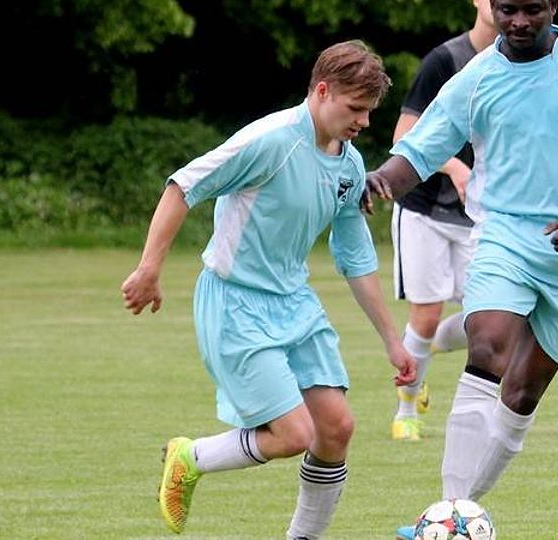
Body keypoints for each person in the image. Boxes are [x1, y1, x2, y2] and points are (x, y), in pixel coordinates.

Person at [361, 1, 558, 536]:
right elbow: (419, 151)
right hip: (503, 236)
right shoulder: (476, 77)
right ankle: (450, 511)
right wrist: (379, 181)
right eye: (508, 9)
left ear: (552, 6)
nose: (519, 22)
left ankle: (459, 509)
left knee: (521, 396)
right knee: (489, 344)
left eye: (532, 10)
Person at [120, 40, 415, 539]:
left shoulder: (348, 166)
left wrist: (392, 339)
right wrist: (149, 269)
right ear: (323, 91)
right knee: (293, 434)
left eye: (369, 111)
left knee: (337, 428)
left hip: (295, 303)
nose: (364, 122)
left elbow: (355, 256)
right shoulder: (270, 140)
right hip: (235, 302)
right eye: (355, 109)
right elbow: (183, 186)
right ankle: (190, 457)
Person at [389, 0, 497, 442]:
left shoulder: (525, 62)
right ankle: (406, 412)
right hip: (424, 210)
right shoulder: (445, 60)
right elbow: (404, 137)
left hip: (480, 216)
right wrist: (454, 167)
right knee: (427, 313)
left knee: (490, 318)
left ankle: (425, 350)